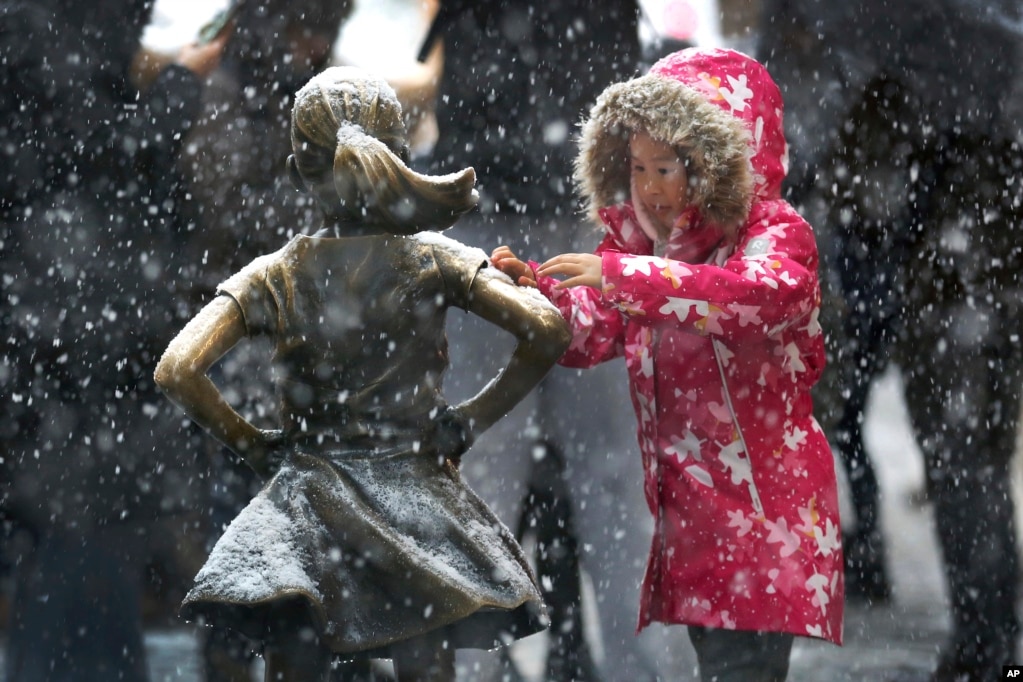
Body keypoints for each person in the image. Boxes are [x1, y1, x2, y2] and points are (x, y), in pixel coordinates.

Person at [154, 66, 572, 682]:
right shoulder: (436, 258)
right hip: (416, 497)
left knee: (298, 653)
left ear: (299, 170)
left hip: (306, 501)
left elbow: (177, 369)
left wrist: (255, 448)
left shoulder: (275, 273)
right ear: (399, 153)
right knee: (423, 653)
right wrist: (468, 422)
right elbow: (548, 330)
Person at [492, 46, 845, 681]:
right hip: (697, 537)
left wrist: (624, 275)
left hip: (766, 535)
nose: (650, 187)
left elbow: (754, 300)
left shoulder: (773, 234)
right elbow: (589, 335)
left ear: (714, 167)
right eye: (637, 168)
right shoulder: (646, 254)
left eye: (668, 166)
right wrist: (530, 300)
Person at [0, 1, 224, 679]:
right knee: (82, 529)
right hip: (73, 313)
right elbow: (98, 143)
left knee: (78, 535)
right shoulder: (51, 27)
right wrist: (182, 80)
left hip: (64, 309)